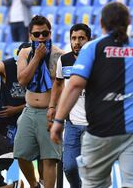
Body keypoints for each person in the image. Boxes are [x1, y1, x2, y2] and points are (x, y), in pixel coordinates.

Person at [50, 2, 133, 188]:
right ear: (129, 22)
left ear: (101, 23)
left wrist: (59, 120)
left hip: (101, 130)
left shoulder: (93, 48)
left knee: (94, 184)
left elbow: (75, 84)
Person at [14, 15, 63, 188]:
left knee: (49, 158)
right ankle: (35, 185)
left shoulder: (59, 56)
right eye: (37, 34)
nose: (41, 37)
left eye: (45, 33)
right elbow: (22, 80)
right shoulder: (25, 53)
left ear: (50, 33)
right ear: (30, 36)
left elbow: (63, 87)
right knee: (20, 153)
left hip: (49, 112)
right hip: (29, 110)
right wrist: (37, 57)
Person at [47, 23, 91, 188]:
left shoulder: (97, 61)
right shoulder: (64, 60)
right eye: (73, 38)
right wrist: (52, 106)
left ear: (89, 40)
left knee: (90, 170)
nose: (77, 42)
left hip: (93, 125)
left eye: (81, 38)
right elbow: (58, 84)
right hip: (72, 124)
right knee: (70, 167)